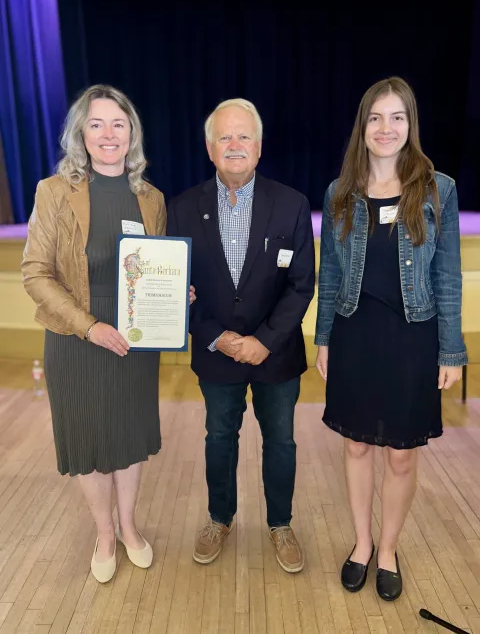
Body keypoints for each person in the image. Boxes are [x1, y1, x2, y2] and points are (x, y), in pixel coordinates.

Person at [21, 84, 195, 583]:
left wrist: (175, 295)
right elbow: (35, 273)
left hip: (134, 343)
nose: (108, 134)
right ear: (81, 133)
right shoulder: (54, 192)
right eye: (96, 124)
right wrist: (89, 326)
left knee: (127, 437)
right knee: (90, 440)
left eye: (118, 124)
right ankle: (104, 533)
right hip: (77, 340)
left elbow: (156, 266)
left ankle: (130, 526)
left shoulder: (150, 198)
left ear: (132, 134)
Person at [315, 77, 467, 600]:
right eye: (376, 118)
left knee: (401, 455)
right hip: (355, 335)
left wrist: (452, 350)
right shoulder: (339, 193)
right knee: (357, 446)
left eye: (397, 117)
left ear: (410, 125)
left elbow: (448, 275)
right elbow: (329, 276)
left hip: (413, 339)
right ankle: (361, 543)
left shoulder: (438, 189)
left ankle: (388, 550)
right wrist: (324, 340)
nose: (386, 128)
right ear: (363, 126)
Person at [167, 98, 315, 573]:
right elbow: (177, 290)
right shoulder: (182, 208)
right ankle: (219, 518)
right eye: (224, 138)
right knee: (218, 437)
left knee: (282, 442)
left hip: (276, 353)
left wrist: (264, 341)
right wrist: (221, 339)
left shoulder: (292, 205)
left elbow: (301, 285)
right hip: (216, 352)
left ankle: (280, 523)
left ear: (259, 146)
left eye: (243, 136)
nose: (234, 145)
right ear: (210, 150)